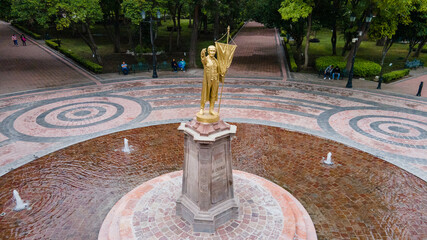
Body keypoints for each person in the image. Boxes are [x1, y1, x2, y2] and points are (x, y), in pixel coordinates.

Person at [199, 45, 223, 116]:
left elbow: (219, 71)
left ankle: (211, 109)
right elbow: (203, 60)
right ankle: (202, 108)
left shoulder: (216, 61)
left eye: (214, 51)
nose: (212, 52)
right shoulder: (206, 60)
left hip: (215, 80)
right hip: (207, 80)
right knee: (205, 94)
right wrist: (202, 54)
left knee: (213, 94)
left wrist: (222, 74)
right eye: (211, 51)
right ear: (208, 51)